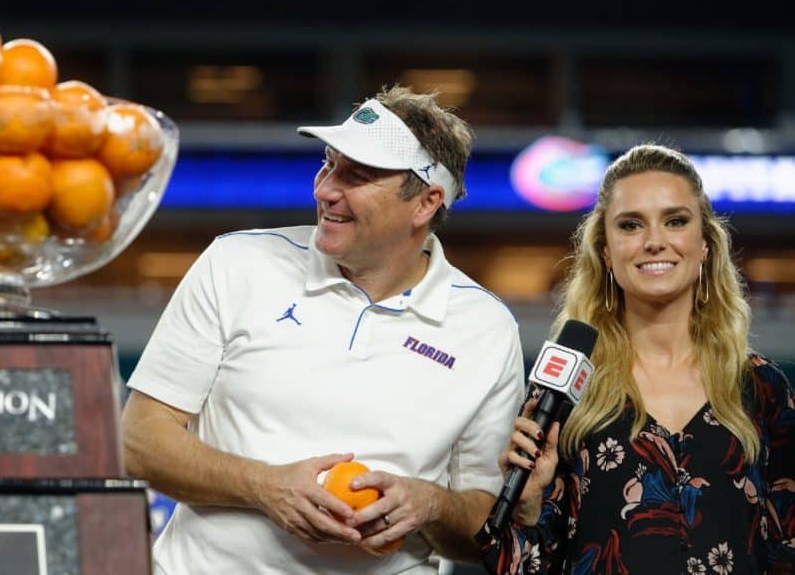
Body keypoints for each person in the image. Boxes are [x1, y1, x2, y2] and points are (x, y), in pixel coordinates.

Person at [122, 85, 525, 574]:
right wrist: (264, 486)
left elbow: (488, 523)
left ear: (425, 203)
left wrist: (431, 505)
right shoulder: (235, 263)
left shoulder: (487, 328)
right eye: (329, 163)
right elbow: (139, 441)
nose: (325, 188)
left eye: (357, 175)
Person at [477, 144, 794, 574]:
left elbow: (786, 549)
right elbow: (523, 565)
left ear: (704, 245)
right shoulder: (568, 389)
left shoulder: (762, 388)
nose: (654, 242)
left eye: (676, 221)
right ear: (606, 252)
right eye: (631, 225)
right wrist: (528, 508)